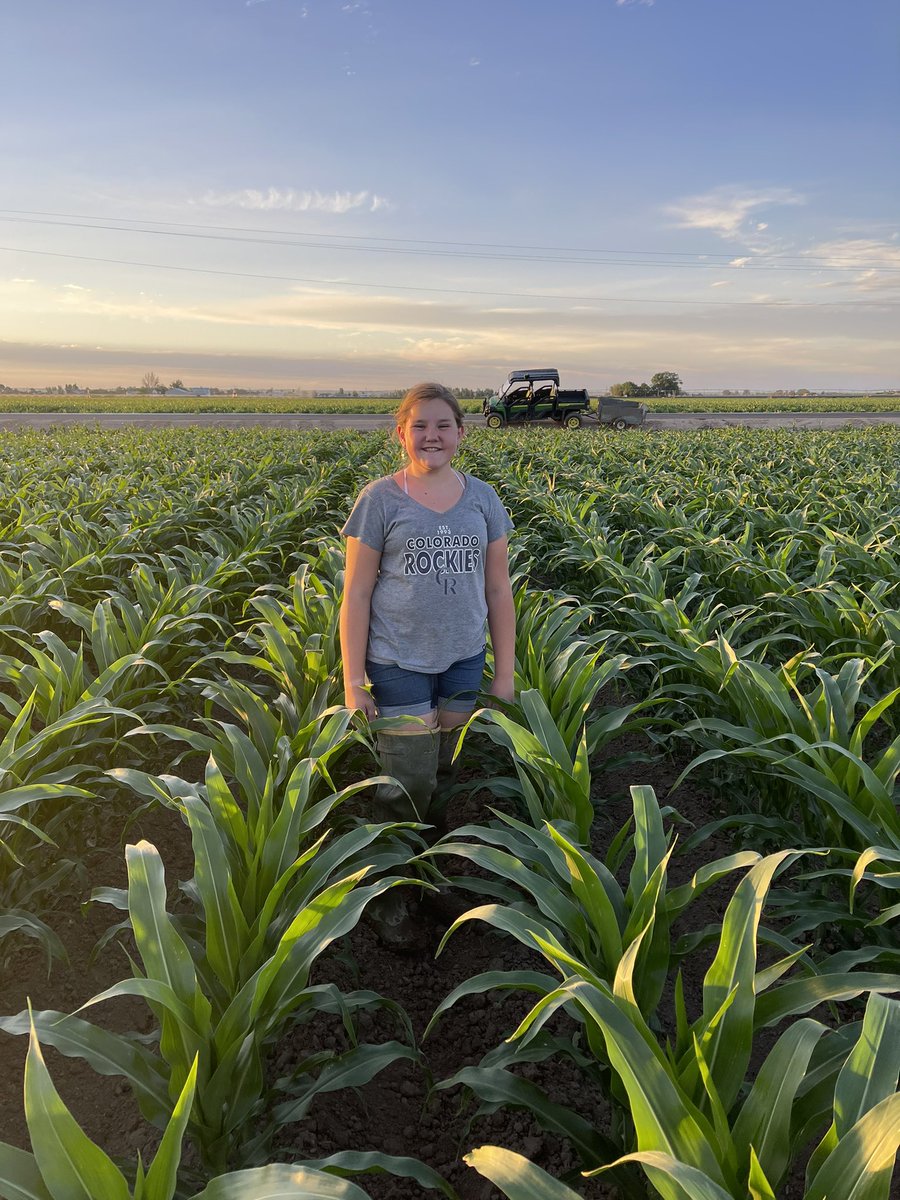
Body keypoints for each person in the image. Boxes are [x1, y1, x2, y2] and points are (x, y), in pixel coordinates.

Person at [340, 382, 516, 945]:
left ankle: (433, 877)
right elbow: (358, 593)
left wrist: (504, 672)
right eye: (420, 426)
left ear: (462, 434)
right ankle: (390, 894)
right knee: (404, 781)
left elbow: (498, 589)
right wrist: (352, 679)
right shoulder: (380, 500)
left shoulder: (483, 499)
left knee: (445, 775)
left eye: (443, 425)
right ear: (401, 434)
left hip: (463, 660)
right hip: (398, 661)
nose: (432, 435)